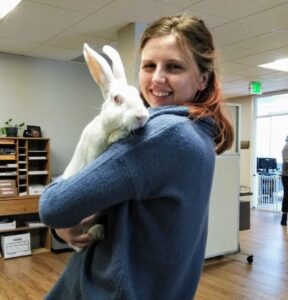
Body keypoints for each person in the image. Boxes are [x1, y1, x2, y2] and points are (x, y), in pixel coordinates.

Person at [39, 15, 234, 300]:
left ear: (202, 78)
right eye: (149, 66)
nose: (157, 78)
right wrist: (68, 227)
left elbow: (52, 207)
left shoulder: (163, 135)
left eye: (174, 67)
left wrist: (60, 224)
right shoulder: (199, 133)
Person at [281, 135, 288, 226]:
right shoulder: (286, 147)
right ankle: (284, 218)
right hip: (286, 175)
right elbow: (286, 161)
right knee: (287, 195)